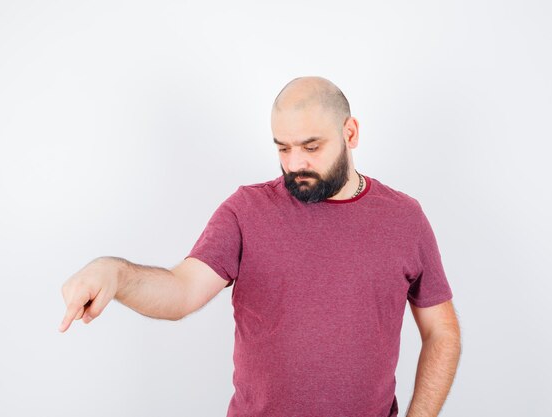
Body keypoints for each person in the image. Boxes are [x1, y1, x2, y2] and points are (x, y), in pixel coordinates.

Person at [59, 76, 462, 417]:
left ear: (350, 133)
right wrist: (114, 273)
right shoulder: (246, 211)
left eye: (311, 146)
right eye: (282, 147)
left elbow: (441, 330)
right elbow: (181, 291)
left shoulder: (404, 218)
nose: (294, 164)